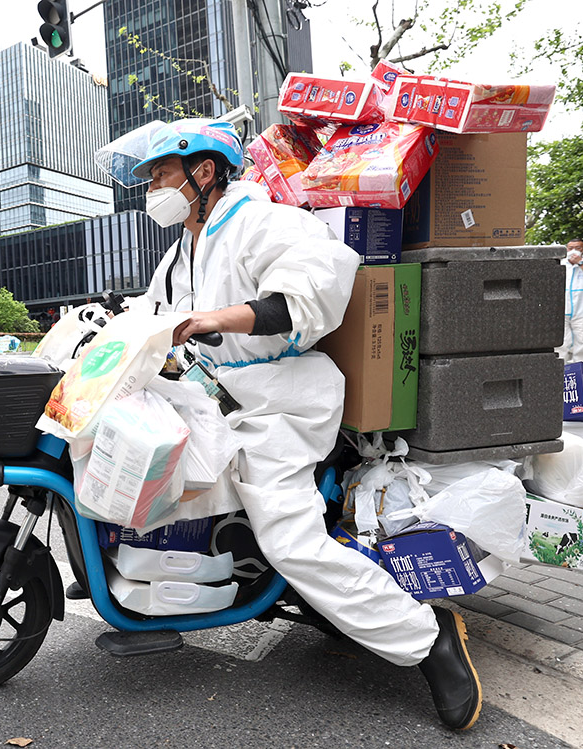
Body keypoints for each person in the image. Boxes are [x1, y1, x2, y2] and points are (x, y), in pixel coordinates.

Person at [124, 118, 482, 730]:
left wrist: (214, 320)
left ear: (202, 172)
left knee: (291, 541)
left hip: (280, 400)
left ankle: (429, 639)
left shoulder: (263, 219)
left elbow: (309, 295)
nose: (150, 188)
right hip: (217, 397)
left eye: (159, 173)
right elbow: (149, 313)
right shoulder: (186, 245)